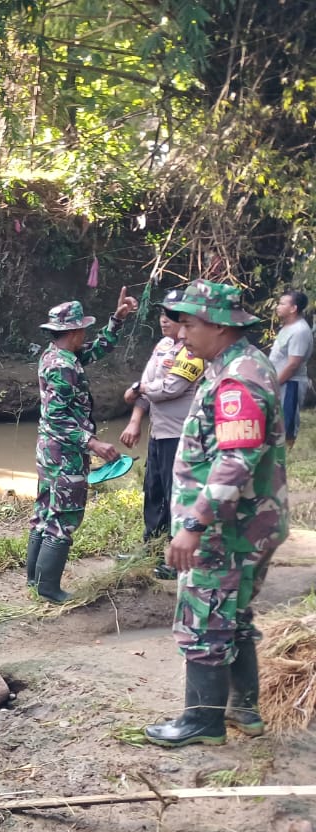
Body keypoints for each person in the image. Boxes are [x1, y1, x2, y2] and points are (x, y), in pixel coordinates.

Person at [144, 280, 289, 748]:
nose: (181, 334)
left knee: (203, 618)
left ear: (220, 326)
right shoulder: (236, 365)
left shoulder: (238, 378)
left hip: (228, 526)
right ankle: (243, 710)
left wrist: (193, 525)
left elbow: (236, 460)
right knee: (233, 613)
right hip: (245, 522)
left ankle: (202, 722)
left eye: (189, 324)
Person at [28, 289, 137, 603]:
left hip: (49, 451)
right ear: (74, 331)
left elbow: (98, 349)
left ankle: (35, 581)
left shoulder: (57, 355)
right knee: (64, 518)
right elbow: (58, 416)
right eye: (83, 330)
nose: (85, 335)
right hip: (65, 455)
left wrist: (117, 320)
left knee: (44, 513)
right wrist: (93, 443)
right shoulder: (63, 366)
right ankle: (49, 588)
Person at [119, 289, 204, 575]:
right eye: (162, 314)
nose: (164, 320)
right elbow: (146, 385)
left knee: (176, 494)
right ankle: (152, 549)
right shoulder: (163, 346)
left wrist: (139, 388)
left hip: (179, 434)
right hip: (158, 432)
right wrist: (135, 420)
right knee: (154, 491)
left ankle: (176, 560)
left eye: (171, 315)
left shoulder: (193, 351)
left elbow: (169, 388)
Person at [268, 289, 312, 449]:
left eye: (282, 304)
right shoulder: (288, 327)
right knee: (276, 420)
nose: (277, 307)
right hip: (280, 381)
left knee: (287, 420)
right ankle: (278, 451)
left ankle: (288, 452)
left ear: (293, 308)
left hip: (290, 383)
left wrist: (274, 383)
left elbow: (293, 364)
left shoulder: (300, 331)